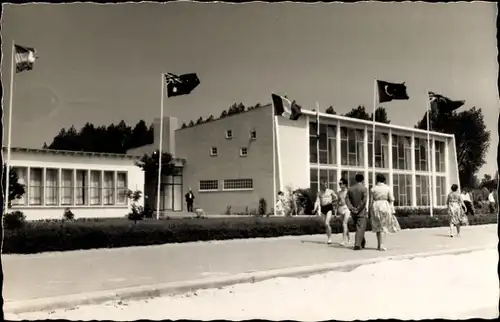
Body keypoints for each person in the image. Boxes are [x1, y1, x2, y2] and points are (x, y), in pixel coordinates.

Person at [369, 174, 401, 251]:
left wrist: (369, 210)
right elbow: (391, 199)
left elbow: (370, 201)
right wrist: (391, 209)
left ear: (377, 180)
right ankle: (382, 245)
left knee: (377, 226)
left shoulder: (373, 189)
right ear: (384, 180)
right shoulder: (387, 188)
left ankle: (378, 244)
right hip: (384, 205)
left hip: (375, 206)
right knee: (384, 226)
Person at [346, 174, 368, 250]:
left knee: (359, 227)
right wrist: (358, 209)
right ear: (362, 180)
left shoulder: (350, 189)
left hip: (353, 212)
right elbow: (364, 201)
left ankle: (362, 242)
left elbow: (347, 200)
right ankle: (357, 244)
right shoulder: (364, 189)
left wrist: (351, 208)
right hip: (361, 211)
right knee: (360, 227)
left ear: (355, 180)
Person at [337, 178, 351, 246]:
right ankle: (349, 238)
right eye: (339, 183)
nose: (339, 185)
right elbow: (337, 201)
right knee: (344, 225)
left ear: (345, 184)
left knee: (344, 224)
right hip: (341, 208)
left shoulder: (348, 192)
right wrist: (336, 210)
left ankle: (343, 240)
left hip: (347, 208)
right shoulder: (339, 192)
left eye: (341, 183)